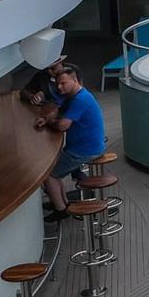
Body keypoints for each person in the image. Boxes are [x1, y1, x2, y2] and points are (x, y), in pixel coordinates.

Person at [34, 63, 104, 221]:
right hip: (83, 147)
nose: (59, 87)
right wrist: (46, 120)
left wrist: (51, 122)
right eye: (58, 83)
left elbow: (62, 125)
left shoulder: (81, 99)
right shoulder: (73, 96)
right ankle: (62, 203)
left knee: (49, 174)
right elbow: (57, 113)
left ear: (76, 81)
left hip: (86, 150)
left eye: (63, 83)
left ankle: (61, 210)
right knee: (55, 171)